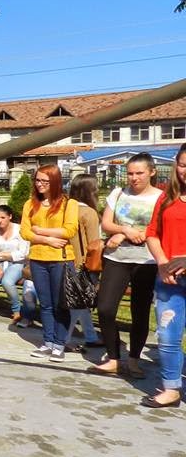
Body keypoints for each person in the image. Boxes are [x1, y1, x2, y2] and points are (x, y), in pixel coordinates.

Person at [89, 153, 163, 377]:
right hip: (116, 258)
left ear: (152, 172)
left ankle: (133, 360)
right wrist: (124, 231)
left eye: (139, 173)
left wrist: (125, 235)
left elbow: (158, 229)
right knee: (105, 307)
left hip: (146, 261)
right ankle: (113, 358)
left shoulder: (161, 197)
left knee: (139, 312)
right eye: (130, 173)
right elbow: (107, 223)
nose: (134, 178)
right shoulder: (118, 193)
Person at [20, 165, 78, 363]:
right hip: (38, 258)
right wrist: (48, 240)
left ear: (55, 181)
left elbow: (69, 231)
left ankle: (60, 344)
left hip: (61, 260)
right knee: (45, 304)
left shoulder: (68, 204)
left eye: (45, 181)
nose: (40, 184)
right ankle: (48, 341)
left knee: (60, 304)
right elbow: (25, 232)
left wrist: (40, 231)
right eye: (37, 180)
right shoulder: (30, 204)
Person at [143, 143, 186, 408]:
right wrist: (161, 263)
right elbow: (151, 232)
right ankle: (171, 388)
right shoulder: (166, 196)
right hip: (170, 279)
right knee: (168, 336)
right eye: (182, 165)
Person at [64, 174, 104, 352]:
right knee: (78, 303)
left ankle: (90, 336)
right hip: (83, 265)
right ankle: (63, 339)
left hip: (64, 260)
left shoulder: (65, 209)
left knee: (81, 302)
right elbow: (94, 244)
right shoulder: (89, 212)